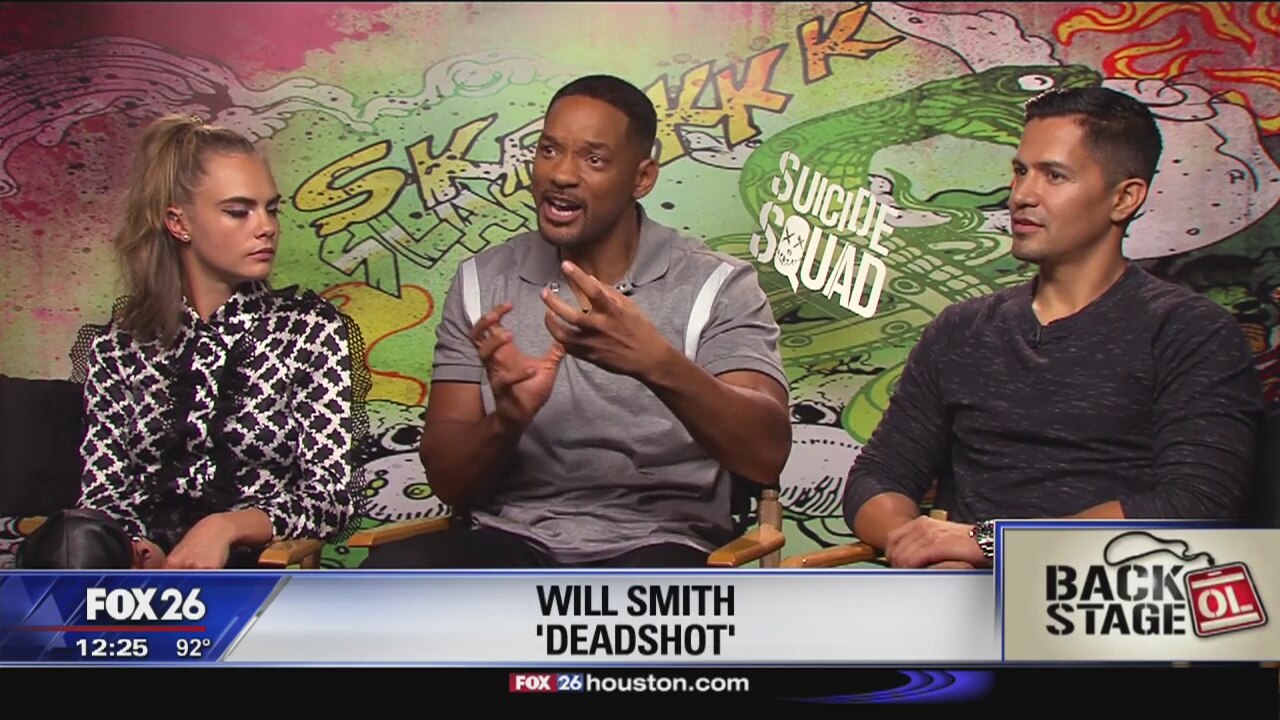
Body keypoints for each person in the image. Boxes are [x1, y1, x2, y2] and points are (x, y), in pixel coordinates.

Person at [361, 75, 791, 568]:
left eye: (594, 159)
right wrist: (507, 420)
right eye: (549, 150)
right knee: (384, 583)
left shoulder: (718, 285)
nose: (561, 174)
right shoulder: (482, 281)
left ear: (642, 178)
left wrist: (656, 363)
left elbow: (765, 456)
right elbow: (447, 482)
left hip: (661, 544)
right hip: (509, 540)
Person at [842, 86, 1265, 569]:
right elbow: (877, 477)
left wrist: (993, 545)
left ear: (1124, 198)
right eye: (1021, 171)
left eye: (1054, 176)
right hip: (961, 590)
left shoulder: (1191, 331)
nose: (1022, 195)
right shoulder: (961, 330)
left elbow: (1195, 505)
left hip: (1108, 594)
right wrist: (921, 546)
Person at [20, 114, 367, 570]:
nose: (266, 226)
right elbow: (103, 494)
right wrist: (140, 548)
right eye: (239, 211)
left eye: (271, 209)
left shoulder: (308, 330)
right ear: (178, 222)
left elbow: (331, 498)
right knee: (70, 546)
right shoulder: (121, 344)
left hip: (256, 571)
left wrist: (223, 528)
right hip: (137, 574)